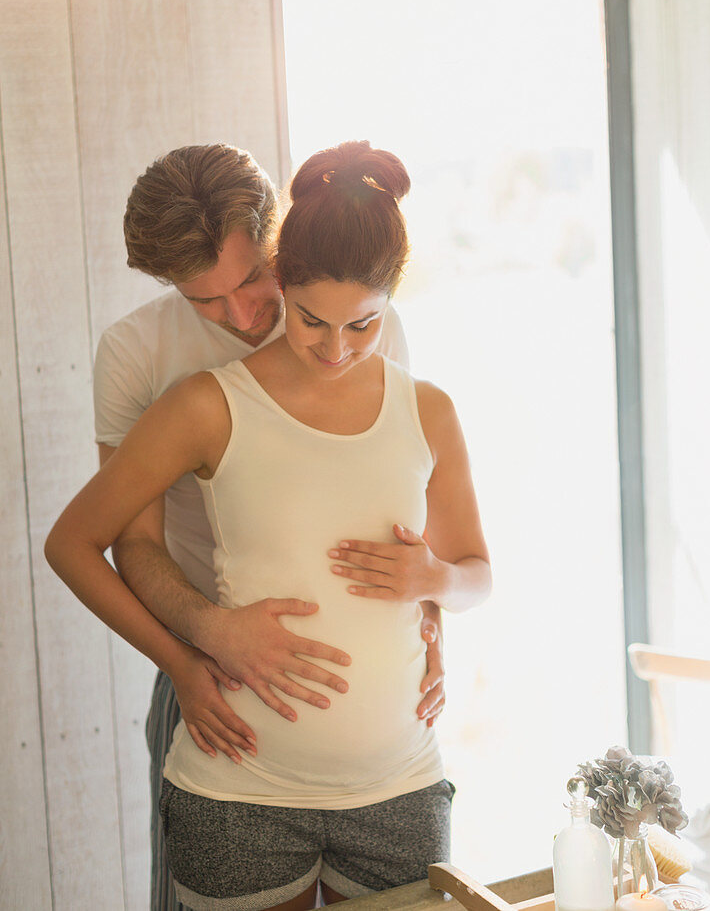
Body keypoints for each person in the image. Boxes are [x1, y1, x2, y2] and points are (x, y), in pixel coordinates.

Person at [46, 140, 491, 911]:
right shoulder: (150, 365)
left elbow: (402, 514)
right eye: (207, 301)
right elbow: (127, 539)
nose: (245, 315)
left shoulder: (363, 330)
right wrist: (197, 648)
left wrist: (429, 625)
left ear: (276, 247)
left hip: (391, 768)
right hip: (206, 665)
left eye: (254, 281)